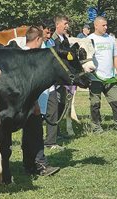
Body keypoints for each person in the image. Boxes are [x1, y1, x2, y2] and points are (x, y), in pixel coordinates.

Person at [21, 26, 60, 176]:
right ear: (37, 39)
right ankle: (41, 164)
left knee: (30, 133)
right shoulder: (28, 56)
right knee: (36, 133)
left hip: (35, 100)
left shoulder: (25, 53)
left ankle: (29, 165)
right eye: (42, 40)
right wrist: (35, 103)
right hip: (32, 102)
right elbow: (30, 84)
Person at [87, 16, 117, 133]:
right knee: (95, 104)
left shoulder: (110, 39)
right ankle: (96, 127)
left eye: (106, 25)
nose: (106, 27)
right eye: (103, 25)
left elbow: (115, 56)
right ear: (96, 26)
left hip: (110, 78)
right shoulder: (90, 39)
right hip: (95, 77)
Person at [44, 15, 70, 149]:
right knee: (53, 106)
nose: (67, 26)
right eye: (65, 24)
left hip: (62, 77)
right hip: (54, 78)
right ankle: (51, 139)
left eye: (68, 24)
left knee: (61, 104)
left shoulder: (65, 38)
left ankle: (56, 132)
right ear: (58, 24)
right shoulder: (51, 39)